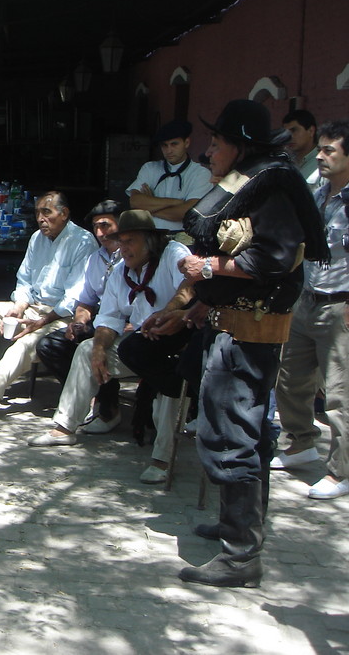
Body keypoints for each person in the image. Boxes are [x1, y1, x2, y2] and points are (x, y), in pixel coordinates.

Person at [171, 99, 327, 588]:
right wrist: (202, 303)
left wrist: (208, 269)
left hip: (249, 335)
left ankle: (241, 557)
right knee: (244, 433)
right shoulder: (253, 181)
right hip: (231, 324)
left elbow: (273, 259)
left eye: (216, 142)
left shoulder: (272, 187)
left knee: (233, 436)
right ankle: (235, 528)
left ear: (239, 145)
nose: (209, 151)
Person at [28, 210, 192, 484]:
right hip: (137, 343)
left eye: (130, 241)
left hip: (175, 340)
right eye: (121, 241)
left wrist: (169, 312)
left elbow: (190, 287)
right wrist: (100, 348)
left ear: (149, 241)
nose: (123, 248)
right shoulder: (120, 271)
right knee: (86, 349)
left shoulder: (172, 253)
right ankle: (64, 428)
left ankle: (163, 458)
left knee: (169, 379)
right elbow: (110, 318)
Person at [0, 191, 96, 420]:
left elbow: (74, 298)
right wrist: (19, 305)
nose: (41, 218)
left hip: (62, 317)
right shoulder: (36, 238)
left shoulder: (82, 242)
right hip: (33, 307)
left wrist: (41, 321)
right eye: (37, 213)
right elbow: (24, 279)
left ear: (64, 214)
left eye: (47, 212)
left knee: (23, 345)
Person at [271, 119, 349, 499]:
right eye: (319, 148)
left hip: (341, 306)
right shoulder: (318, 194)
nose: (319, 156)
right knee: (290, 379)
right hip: (308, 299)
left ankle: (341, 471)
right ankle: (299, 445)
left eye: (329, 150)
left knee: (339, 393)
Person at [34, 199, 124, 432]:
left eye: (105, 225)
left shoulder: (131, 254)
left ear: (121, 224)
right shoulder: (97, 258)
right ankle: (90, 399)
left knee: (94, 346)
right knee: (50, 345)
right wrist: (79, 322)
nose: (100, 233)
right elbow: (86, 301)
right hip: (100, 321)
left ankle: (107, 408)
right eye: (96, 227)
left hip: (127, 323)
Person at [127, 120, 213, 233]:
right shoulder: (150, 168)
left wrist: (149, 207)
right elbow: (135, 202)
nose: (169, 150)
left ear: (186, 143)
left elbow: (187, 213)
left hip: (181, 239)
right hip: (149, 236)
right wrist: (176, 202)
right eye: (164, 145)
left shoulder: (200, 173)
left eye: (174, 144)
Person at [282, 109, 322, 185]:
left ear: (311, 131)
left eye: (294, 130)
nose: (289, 137)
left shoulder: (322, 162)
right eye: (286, 132)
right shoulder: (286, 162)